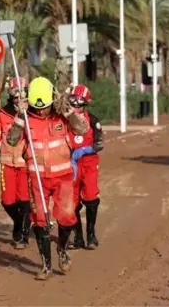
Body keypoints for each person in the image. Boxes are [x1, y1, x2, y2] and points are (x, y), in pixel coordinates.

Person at [6, 77, 89, 280]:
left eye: (45, 107)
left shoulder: (62, 115)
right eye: (37, 107)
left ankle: (62, 250)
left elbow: (82, 129)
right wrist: (19, 115)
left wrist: (69, 112)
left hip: (63, 177)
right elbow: (11, 139)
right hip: (37, 179)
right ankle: (46, 266)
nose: (41, 111)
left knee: (67, 217)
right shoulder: (25, 117)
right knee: (40, 221)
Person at [0, 77, 31, 249]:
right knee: (8, 201)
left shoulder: (31, 112)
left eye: (22, 96)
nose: (19, 99)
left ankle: (23, 235)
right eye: (16, 96)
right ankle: (20, 223)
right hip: (7, 163)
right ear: (11, 95)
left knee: (24, 200)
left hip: (26, 164)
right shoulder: (2, 113)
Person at [67, 84, 104, 250]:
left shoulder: (93, 120)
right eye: (73, 101)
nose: (76, 105)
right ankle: (78, 237)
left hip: (89, 162)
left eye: (79, 102)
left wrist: (85, 150)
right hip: (70, 164)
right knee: (72, 201)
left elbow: (99, 143)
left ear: (85, 104)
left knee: (90, 198)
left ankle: (91, 234)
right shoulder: (65, 121)